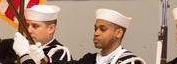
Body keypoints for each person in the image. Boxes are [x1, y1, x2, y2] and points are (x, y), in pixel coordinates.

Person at [13, 8, 146, 64]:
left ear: (118, 33)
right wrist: (44, 59)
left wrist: (26, 55)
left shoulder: (130, 61)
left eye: (102, 29)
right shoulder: (90, 59)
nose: (96, 33)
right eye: (95, 28)